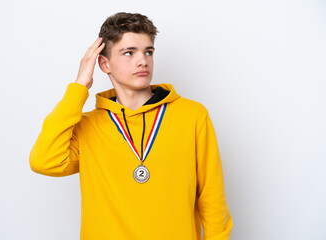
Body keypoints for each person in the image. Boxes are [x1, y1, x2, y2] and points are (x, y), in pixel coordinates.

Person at [29, 12, 233, 240]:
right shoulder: (87, 126)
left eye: (148, 52)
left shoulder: (192, 115)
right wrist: (79, 86)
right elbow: (44, 161)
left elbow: (212, 199)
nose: (142, 60)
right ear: (104, 63)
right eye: (129, 53)